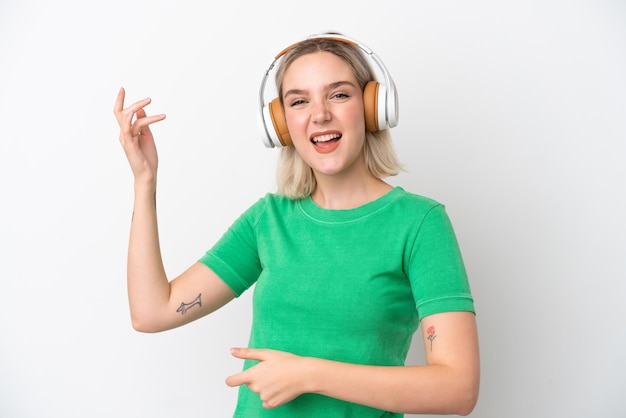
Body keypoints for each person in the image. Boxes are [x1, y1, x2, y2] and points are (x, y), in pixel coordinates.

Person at [113, 32, 480, 417]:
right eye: (299, 101)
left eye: (339, 94)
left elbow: (457, 388)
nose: (320, 114)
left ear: (373, 107)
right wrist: (145, 182)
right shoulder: (267, 221)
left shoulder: (419, 223)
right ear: (281, 124)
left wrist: (308, 375)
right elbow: (153, 312)